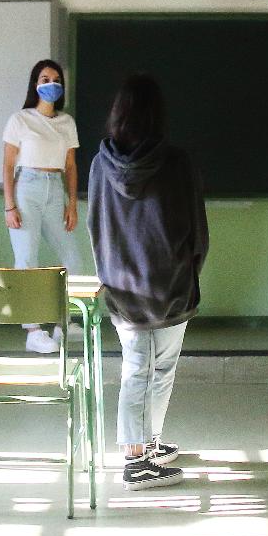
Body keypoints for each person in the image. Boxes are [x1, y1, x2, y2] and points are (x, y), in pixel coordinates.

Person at [87, 74, 209, 491]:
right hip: (170, 284)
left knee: (139, 369)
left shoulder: (100, 164)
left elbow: (95, 225)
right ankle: (136, 459)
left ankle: (146, 446)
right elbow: (197, 230)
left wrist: (108, 272)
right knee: (158, 370)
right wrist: (191, 271)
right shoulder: (178, 162)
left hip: (121, 286)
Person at [1, 59, 85, 353]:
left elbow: (71, 166)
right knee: (27, 260)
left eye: (56, 78)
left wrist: (72, 203)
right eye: (44, 78)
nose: (50, 83)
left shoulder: (67, 122)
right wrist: (9, 205)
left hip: (55, 189)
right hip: (27, 188)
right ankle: (33, 331)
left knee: (72, 257)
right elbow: (9, 164)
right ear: (35, 84)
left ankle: (64, 324)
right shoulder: (20, 119)